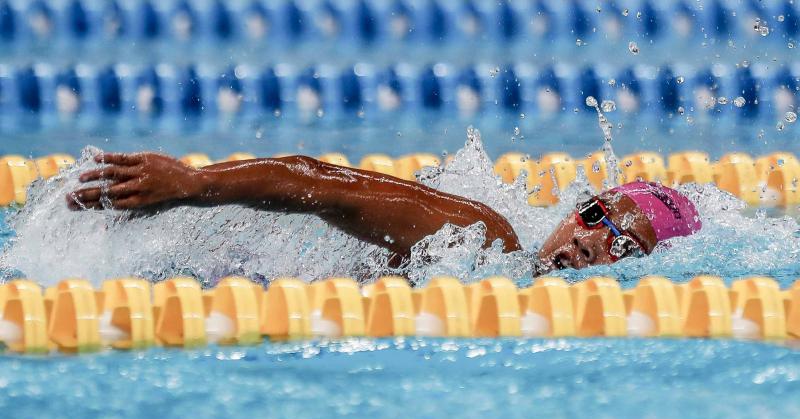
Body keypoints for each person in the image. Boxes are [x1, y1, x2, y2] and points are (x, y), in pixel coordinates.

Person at [66, 152, 701, 274]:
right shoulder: (483, 241)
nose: (595, 241)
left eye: (628, 246)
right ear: (572, 209)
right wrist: (193, 183)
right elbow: (321, 183)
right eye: (594, 213)